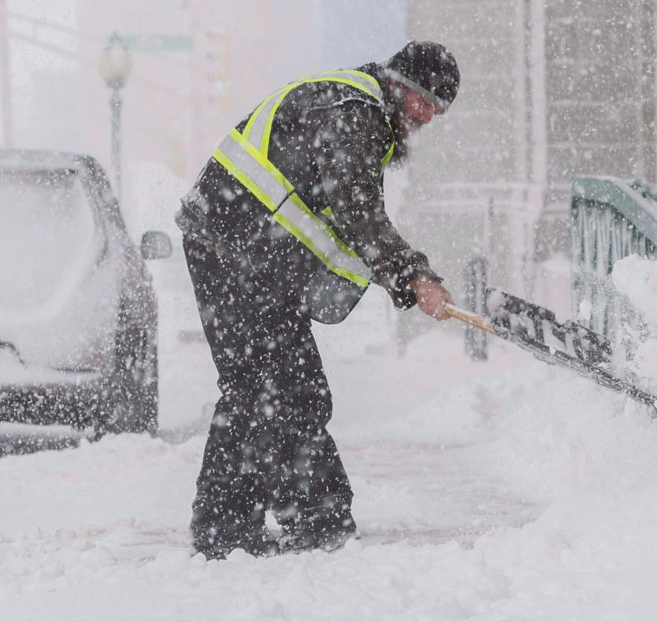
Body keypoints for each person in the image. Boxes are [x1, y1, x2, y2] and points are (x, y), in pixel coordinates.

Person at [175, 40, 461, 558]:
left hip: (247, 252)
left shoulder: (353, 109)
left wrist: (398, 274)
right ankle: (301, 523)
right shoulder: (354, 113)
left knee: (271, 386)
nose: (424, 115)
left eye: (435, 110)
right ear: (398, 82)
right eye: (421, 99)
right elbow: (357, 212)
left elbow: (338, 219)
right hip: (234, 248)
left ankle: (250, 525)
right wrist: (415, 276)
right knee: (275, 387)